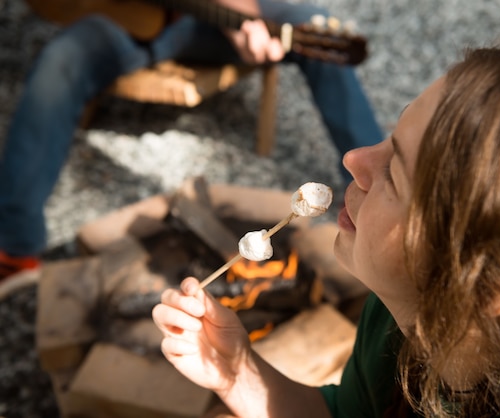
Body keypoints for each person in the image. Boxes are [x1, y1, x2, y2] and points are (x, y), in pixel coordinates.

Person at [152, 47, 500, 417]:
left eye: (395, 175)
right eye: (390, 137)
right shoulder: (404, 313)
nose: (354, 160)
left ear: (479, 291)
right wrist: (238, 374)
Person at [0, 0, 383, 292]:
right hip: (127, 19)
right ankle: (15, 249)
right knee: (59, 63)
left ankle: (379, 196)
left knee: (307, 23)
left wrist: (239, 10)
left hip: (213, 15)